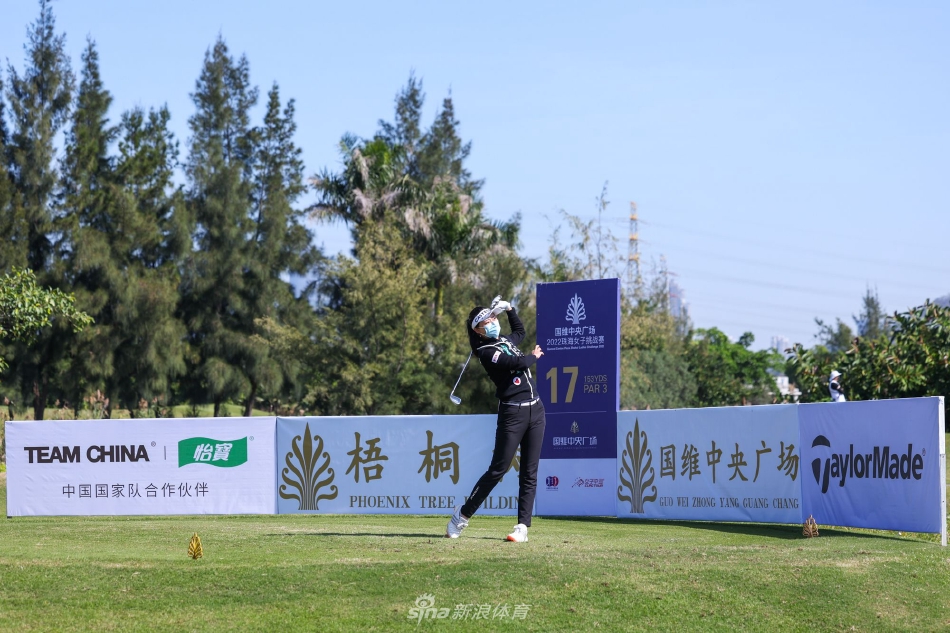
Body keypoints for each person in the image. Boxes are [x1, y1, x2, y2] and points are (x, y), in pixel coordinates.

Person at [445, 297, 546, 543]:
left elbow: (520, 332)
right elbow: (517, 362)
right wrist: (533, 356)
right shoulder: (486, 352)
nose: (492, 322)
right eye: (487, 321)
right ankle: (462, 515)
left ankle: (522, 527)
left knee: (529, 472)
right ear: (478, 331)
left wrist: (510, 309)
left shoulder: (504, 341)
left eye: (493, 317)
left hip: (536, 411)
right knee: (498, 469)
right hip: (513, 414)